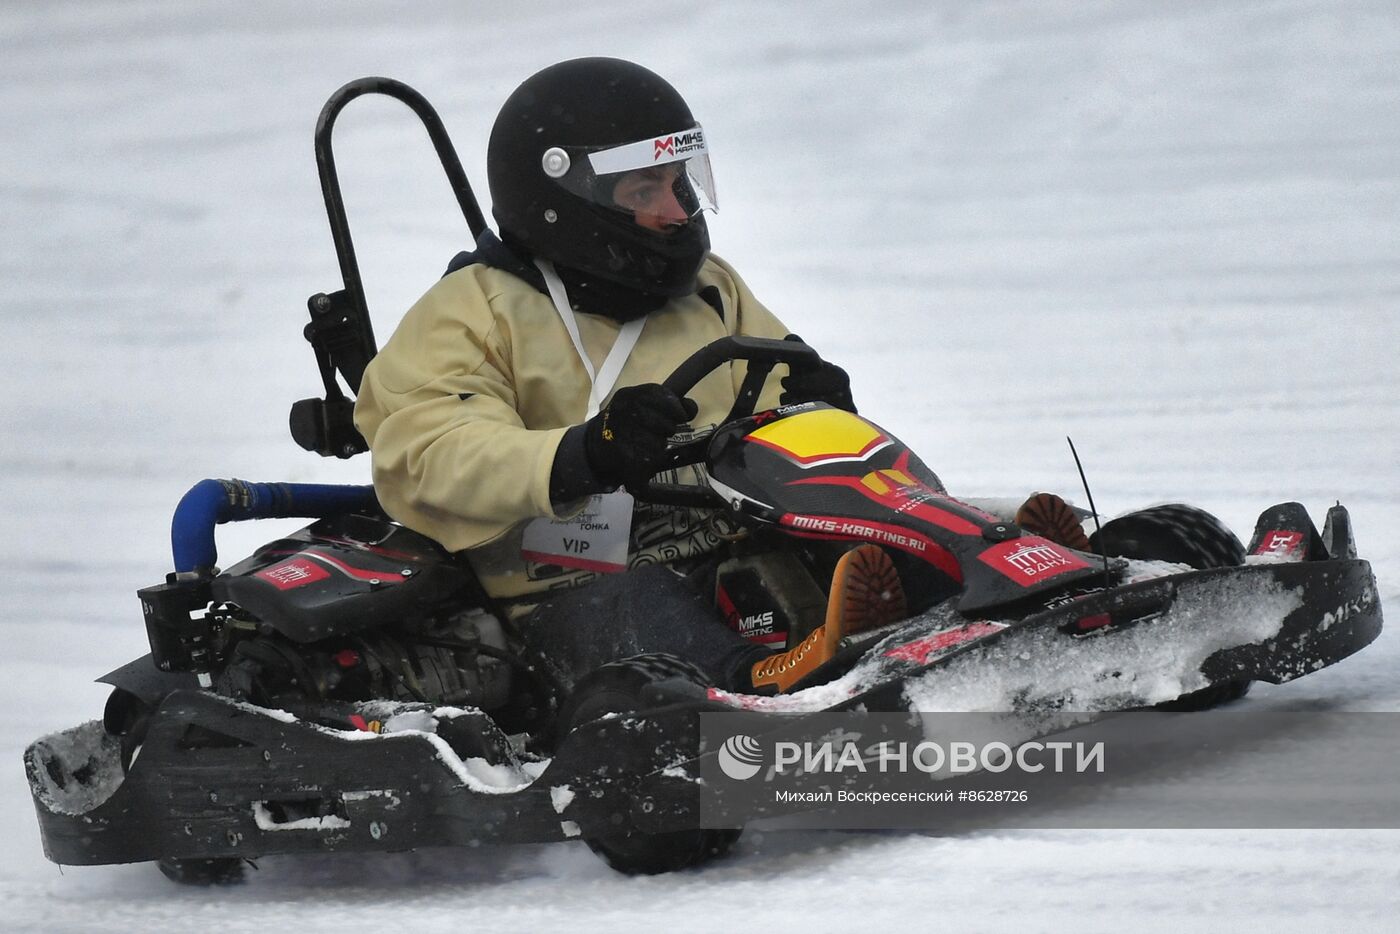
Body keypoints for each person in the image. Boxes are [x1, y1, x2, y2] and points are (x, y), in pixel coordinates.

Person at [354, 58, 1078, 695]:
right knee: (644, 604)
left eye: (680, 184)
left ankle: (991, 572)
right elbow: (422, 455)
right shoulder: (469, 312)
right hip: (571, 584)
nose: (676, 213)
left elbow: (777, 387)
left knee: (855, 527)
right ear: (564, 200)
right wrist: (582, 452)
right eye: (645, 192)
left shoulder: (709, 286)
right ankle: (756, 683)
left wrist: (818, 403)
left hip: (731, 534)